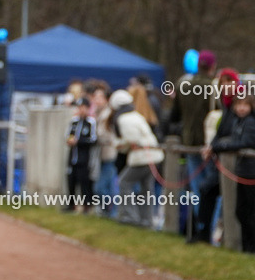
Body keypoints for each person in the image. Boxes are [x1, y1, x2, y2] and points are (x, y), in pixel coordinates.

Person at [169, 50, 219, 235]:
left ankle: (200, 228)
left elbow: (174, 116)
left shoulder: (183, 85)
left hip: (189, 142)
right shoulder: (214, 87)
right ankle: (209, 229)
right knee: (213, 190)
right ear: (213, 66)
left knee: (197, 189)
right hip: (209, 144)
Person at [208, 91, 255, 252]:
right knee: (241, 211)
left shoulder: (250, 123)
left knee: (249, 212)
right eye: (239, 104)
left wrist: (219, 147)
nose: (241, 108)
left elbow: (245, 142)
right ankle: (246, 247)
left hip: (250, 173)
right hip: (242, 172)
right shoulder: (237, 122)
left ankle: (250, 248)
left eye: (245, 105)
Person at [109, 89, 164, 228]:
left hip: (143, 157)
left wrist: (119, 144)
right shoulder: (136, 115)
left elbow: (132, 140)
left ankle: (130, 216)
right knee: (147, 188)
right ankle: (146, 220)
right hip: (154, 155)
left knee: (124, 182)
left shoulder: (123, 119)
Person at [88, 83, 118, 217]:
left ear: (106, 99)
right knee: (104, 187)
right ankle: (107, 213)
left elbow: (107, 135)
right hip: (101, 156)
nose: (96, 100)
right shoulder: (98, 114)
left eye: (99, 97)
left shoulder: (108, 115)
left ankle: (111, 213)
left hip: (109, 155)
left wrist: (95, 137)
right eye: (95, 97)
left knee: (102, 187)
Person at [64, 97, 97, 213]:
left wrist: (79, 141)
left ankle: (86, 206)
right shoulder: (74, 121)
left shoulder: (91, 122)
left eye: (83, 107)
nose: (81, 110)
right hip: (73, 157)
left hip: (84, 159)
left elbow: (93, 140)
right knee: (71, 181)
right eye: (79, 107)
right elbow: (67, 136)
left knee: (84, 183)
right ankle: (71, 205)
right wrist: (70, 141)